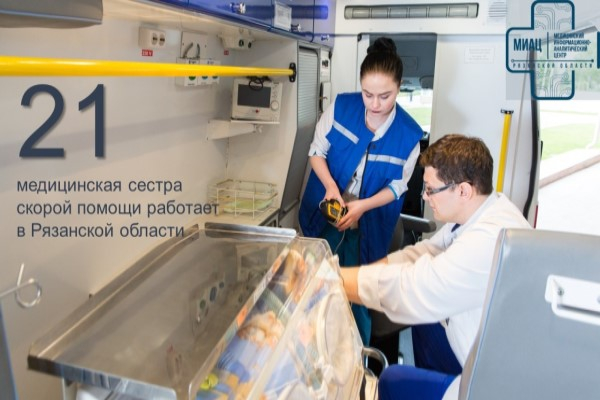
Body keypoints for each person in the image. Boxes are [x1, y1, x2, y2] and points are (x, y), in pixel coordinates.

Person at [340, 134, 532, 399]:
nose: (424, 196)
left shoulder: (488, 240)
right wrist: (366, 272)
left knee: (392, 380)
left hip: (491, 381)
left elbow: (415, 288)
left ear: (463, 191)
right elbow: (426, 252)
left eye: (430, 190)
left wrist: (333, 281)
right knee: (423, 320)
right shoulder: (482, 209)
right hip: (473, 337)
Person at [298, 37, 423, 346]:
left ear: (399, 87)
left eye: (385, 96)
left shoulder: (409, 135)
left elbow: (397, 186)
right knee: (314, 287)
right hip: (326, 212)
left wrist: (363, 206)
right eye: (368, 94)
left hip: (368, 222)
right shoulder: (342, 107)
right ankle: (312, 352)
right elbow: (316, 152)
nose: (375, 104)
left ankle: (357, 358)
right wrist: (330, 187)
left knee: (358, 298)